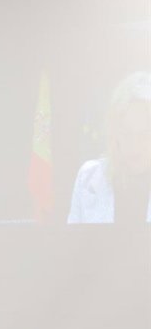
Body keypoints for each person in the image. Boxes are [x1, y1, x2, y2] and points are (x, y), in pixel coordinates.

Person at [68, 71, 151, 224]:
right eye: (127, 133)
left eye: (144, 134)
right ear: (114, 132)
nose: (135, 145)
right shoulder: (88, 178)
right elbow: (71, 239)